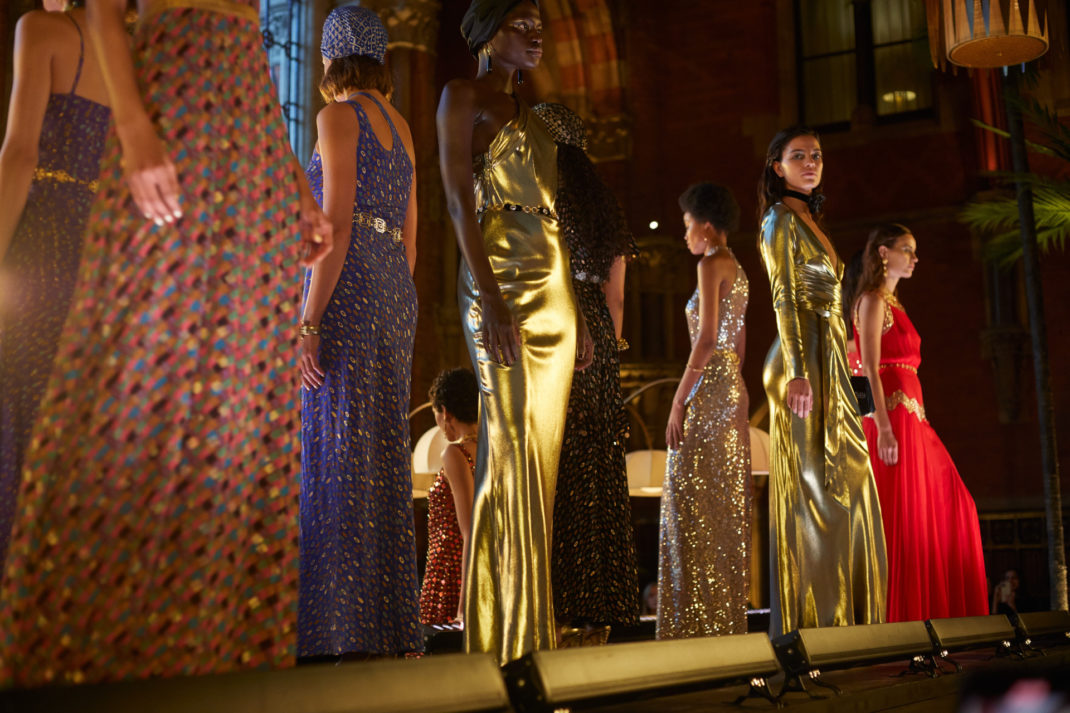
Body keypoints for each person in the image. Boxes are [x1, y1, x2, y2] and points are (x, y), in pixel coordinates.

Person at [0, 0, 331, 686]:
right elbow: (104, 13)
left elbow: (254, 52)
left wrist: (295, 177)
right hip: (173, 118)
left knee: (231, 408)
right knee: (137, 388)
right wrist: (133, 126)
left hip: (249, 155)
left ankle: (202, 656)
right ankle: (92, 657)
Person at [437, 0, 592, 665]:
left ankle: (528, 631)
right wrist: (492, 295)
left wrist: (580, 312)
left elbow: (559, 217)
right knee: (512, 453)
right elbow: (452, 196)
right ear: (484, 32)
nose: (535, 34)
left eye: (539, 25)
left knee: (540, 463)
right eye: (520, 23)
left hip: (553, 285)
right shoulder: (459, 95)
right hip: (498, 278)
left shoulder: (537, 118)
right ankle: (507, 644)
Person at [297, 6, 421, 660]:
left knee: (337, 443)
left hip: (347, 286)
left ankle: (335, 629)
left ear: (329, 58)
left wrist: (311, 319)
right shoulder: (399, 124)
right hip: (393, 290)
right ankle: (385, 626)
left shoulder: (335, 116)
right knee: (380, 451)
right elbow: (411, 233)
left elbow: (336, 224)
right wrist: (392, 301)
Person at [757, 126, 886, 636]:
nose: (811, 163)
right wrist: (796, 373)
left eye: (816, 156)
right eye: (798, 156)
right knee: (817, 489)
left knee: (847, 483)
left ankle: (853, 623)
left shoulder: (811, 218)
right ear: (777, 166)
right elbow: (784, 297)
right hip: (801, 362)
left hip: (827, 359)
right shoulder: (778, 220)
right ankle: (816, 625)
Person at [0, 0, 110, 565]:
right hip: (99, 260)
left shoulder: (38, 29)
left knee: (17, 408)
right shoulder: (131, 60)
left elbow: (19, 155)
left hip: (42, 239)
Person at [532, 102, 639, 647]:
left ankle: (561, 603)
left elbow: (550, 271)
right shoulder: (602, 200)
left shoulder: (550, 196)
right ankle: (600, 606)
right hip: (601, 329)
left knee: (564, 466)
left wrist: (578, 334)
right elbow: (616, 290)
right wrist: (609, 340)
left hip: (565, 328)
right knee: (599, 466)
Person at [847, 223, 987, 622]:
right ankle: (902, 623)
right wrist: (883, 427)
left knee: (955, 506)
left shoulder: (896, 305)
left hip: (915, 418)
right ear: (883, 253)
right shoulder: (872, 301)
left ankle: (938, 619)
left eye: (914, 250)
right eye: (906, 249)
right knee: (904, 518)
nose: (914, 257)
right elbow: (868, 368)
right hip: (893, 420)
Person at [658, 182, 751, 639]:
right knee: (722, 504)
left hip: (707, 390)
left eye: (687, 224)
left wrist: (679, 401)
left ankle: (692, 630)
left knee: (689, 503)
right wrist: (736, 387)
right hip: (730, 386)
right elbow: (739, 343)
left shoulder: (710, 263)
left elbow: (709, 337)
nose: (685, 234)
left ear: (707, 226)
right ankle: (721, 625)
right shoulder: (739, 268)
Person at [420, 367, 479, 626]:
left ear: (446, 413)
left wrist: (464, 607)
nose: (443, 432)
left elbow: (470, 532)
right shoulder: (493, 447)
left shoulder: (454, 454)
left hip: (451, 574)